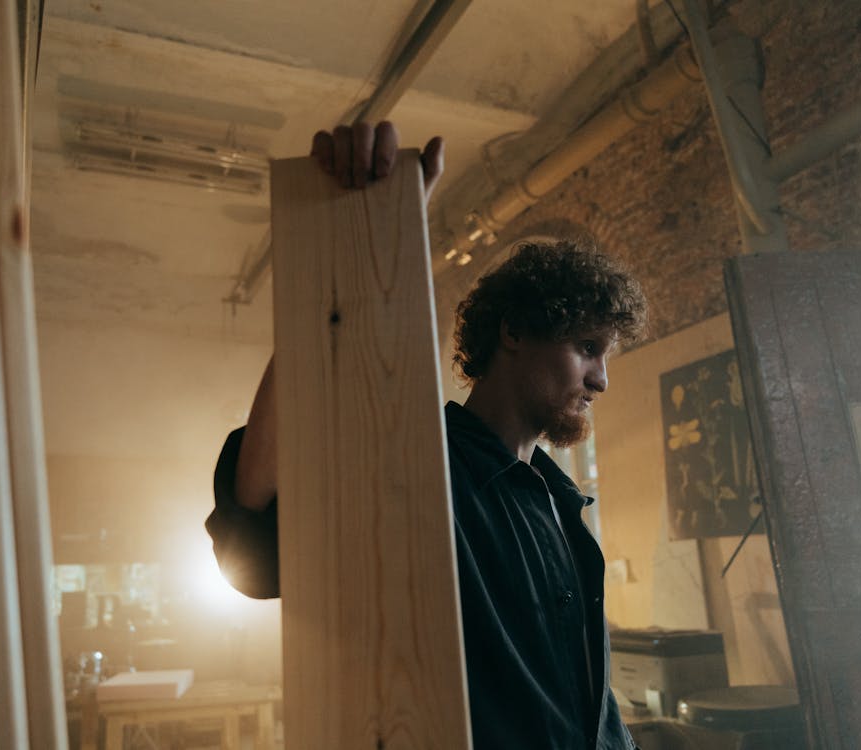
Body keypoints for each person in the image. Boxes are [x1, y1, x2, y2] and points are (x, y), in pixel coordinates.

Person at [205, 122, 647, 749]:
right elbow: (253, 544)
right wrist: (346, 247)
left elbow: (583, 705)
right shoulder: (413, 460)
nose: (601, 379)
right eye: (586, 348)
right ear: (514, 333)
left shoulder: (558, 501)